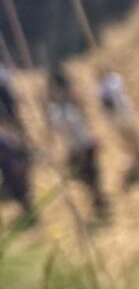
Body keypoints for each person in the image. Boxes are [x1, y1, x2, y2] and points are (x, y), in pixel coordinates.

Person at [45, 69, 109, 221]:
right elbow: (56, 132)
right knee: (84, 177)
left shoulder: (70, 108)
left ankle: (99, 200)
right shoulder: (54, 111)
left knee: (92, 175)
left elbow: (82, 127)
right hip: (75, 149)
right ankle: (98, 198)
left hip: (83, 147)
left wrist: (90, 140)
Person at [96, 69, 139, 188]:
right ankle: (136, 160)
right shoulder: (103, 88)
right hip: (118, 121)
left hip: (124, 117)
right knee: (127, 143)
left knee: (134, 140)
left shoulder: (112, 82)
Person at [0, 114, 34, 226]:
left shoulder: (6, 135)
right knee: (20, 195)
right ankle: (29, 216)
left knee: (22, 194)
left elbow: (15, 151)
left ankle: (31, 218)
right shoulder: (6, 134)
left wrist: (21, 164)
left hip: (14, 169)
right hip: (11, 170)